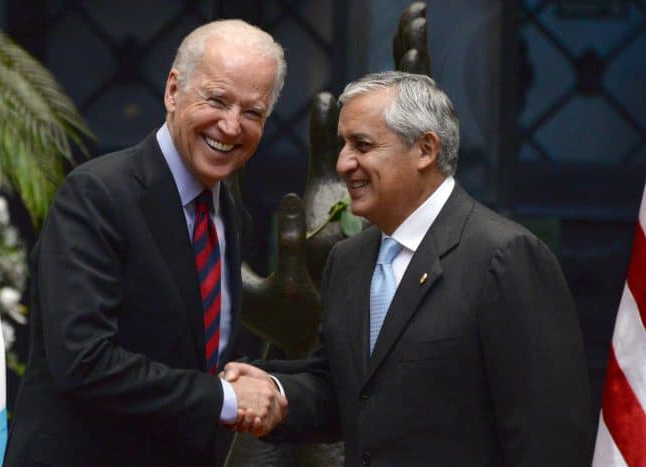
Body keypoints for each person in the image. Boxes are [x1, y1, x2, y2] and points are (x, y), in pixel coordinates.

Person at [225, 71, 594, 466]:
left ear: (425, 150)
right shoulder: (348, 260)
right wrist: (272, 389)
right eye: (343, 145)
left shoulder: (504, 256)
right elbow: (342, 391)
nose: (345, 163)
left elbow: (548, 436)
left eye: (362, 145)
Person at [4, 19, 287, 467]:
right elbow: (83, 360)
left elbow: (191, 347)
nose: (231, 127)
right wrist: (226, 397)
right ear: (173, 90)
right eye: (216, 100)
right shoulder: (98, 194)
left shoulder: (228, 213)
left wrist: (248, 381)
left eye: (252, 112)